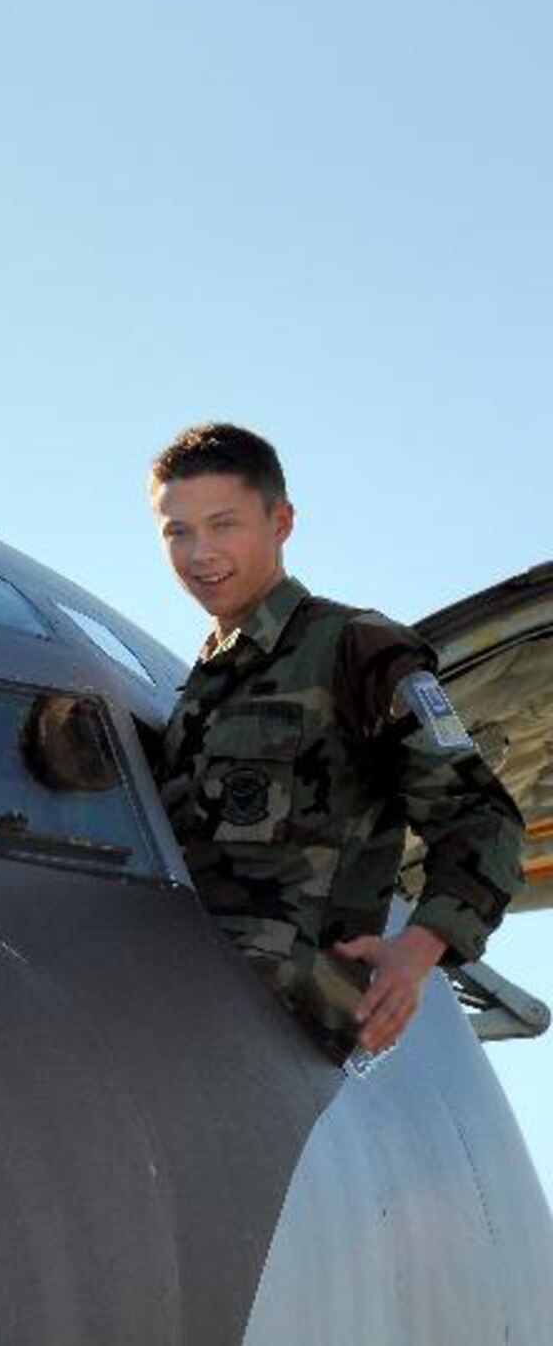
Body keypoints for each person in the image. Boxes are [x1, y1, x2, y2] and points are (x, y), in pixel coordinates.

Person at [147, 423, 524, 1059]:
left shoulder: (355, 648)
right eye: (176, 531)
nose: (200, 553)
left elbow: (483, 816)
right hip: (188, 1017)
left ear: (281, 522)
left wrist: (418, 950)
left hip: (286, 1034)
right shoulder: (202, 688)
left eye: (223, 524)